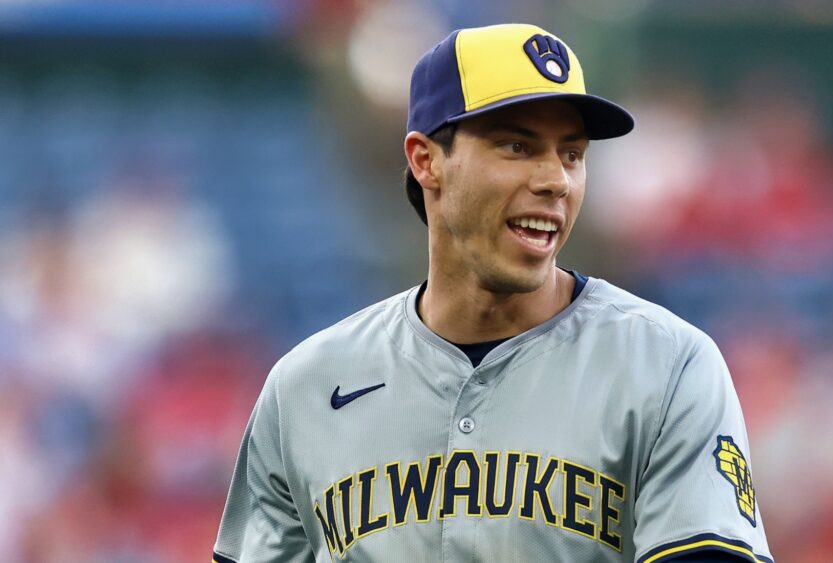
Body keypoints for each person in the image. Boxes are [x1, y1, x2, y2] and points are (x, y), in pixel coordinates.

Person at [212, 23, 772, 563]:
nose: (555, 179)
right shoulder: (304, 388)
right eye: (517, 147)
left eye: (572, 154)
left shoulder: (667, 365)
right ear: (425, 160)